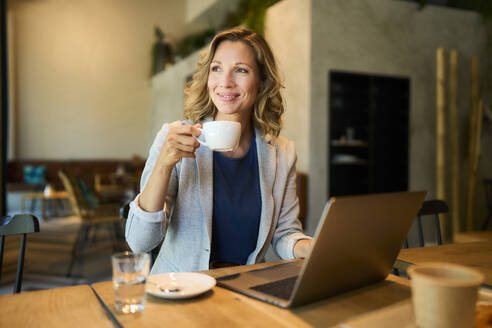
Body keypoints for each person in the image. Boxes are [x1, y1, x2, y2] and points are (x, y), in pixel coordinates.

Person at [126, 27, 313, 274]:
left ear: (262, 82)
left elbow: (285, 233)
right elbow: (139, 242)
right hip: (180, 289)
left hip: (245, 288)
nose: (225, 82)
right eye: (217, 68)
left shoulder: (282, 153)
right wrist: (163, 164)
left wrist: (311, 246)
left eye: (241, 70)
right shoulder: (174, 138)